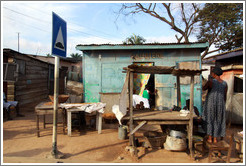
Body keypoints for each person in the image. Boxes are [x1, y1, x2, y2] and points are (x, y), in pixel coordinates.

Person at [202, 66, 227, 144]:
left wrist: (209, 80)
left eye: (212, 73)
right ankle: (215, 138)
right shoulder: (225, 83)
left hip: (211, 103)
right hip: (221, 104)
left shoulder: (211, 82)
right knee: (217, 120)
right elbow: (225, 96)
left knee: (210, 119)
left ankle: (210, 138)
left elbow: (204, 88)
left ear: (214, 74)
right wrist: (223, 105)